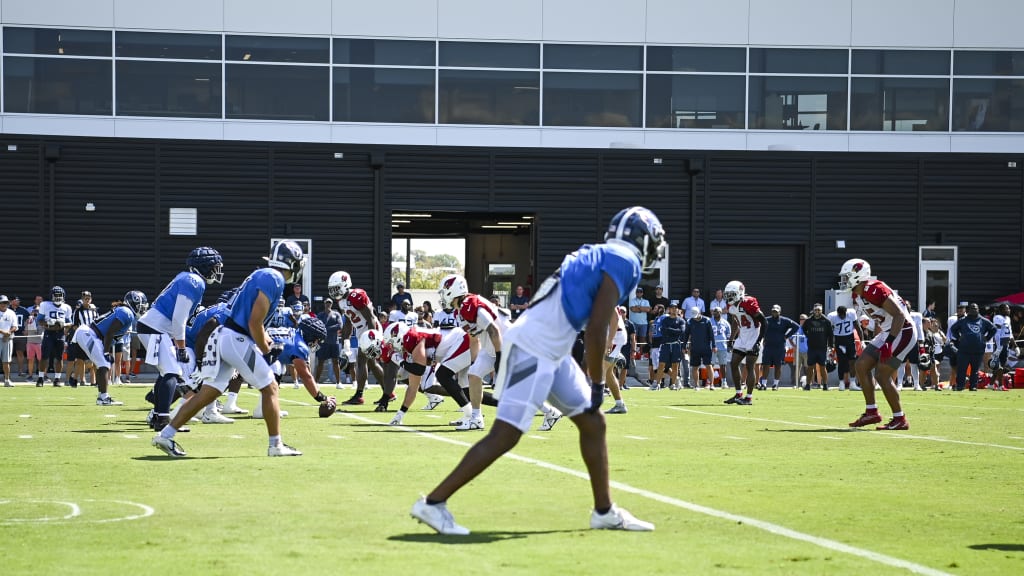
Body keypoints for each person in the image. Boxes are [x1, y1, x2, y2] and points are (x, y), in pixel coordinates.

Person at [409, 206, 664, 535]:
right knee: (507, 434)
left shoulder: (594, 253)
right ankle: (433, 503)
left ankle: (604, 510)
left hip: (548, 346)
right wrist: (598, 382)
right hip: (535, 347)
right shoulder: (624, 260)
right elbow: (599, 324)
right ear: (642, 240)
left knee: (592, 423)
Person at [153, 240, 306, 458]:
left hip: (227, 335)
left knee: (208, 393)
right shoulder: (274, 278)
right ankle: (276, 445)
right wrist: (266, 349)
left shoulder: (263, 274)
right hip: (237, 338)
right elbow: (255, 322)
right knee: (270, 386)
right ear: (292, 263)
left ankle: (165, 435)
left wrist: (265, 344)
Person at [139, 247, 223, 432]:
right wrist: (182, 347)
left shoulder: (187, 278)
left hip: (153, 327)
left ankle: (157, 416)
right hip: (156, 328)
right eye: (214, 267)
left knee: (167, 372)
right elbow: (179, 318)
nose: (217, 271)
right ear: (205, 266)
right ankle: (162, 420)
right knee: (172, 372)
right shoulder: (193, 280)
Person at [839, 258, 914, 430]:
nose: (844, 281)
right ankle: (871, 412)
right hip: (889, 331)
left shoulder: (873, 289)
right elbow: (881, 320)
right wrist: (878, 339)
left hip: (903, 331)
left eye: (847, 276)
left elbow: (899, 316)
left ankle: (900, 418)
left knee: (882, 374)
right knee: (862, 365)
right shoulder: (857, 294)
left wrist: (888, 342)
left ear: (859, 275)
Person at [438, 274, 510, 430]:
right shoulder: (460, 312)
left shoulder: (470, 304)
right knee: (474, 375)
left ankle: (550, 410)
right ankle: (476, 419)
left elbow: (494, 329)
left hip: (508, 344)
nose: (443, 295)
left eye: (444, 290)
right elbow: (473, 339)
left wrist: (500, 356)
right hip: (491, 347)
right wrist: (474, 362)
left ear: (454, 290)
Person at [71, 290, 147, 406]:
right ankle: (103, 397)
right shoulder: (127, 313)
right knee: (104, 363)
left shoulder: (125, 312)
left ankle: (98, 393)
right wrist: (106, 352)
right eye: (140, 305)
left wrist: (106, 351)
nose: (142, 308)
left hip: (90, 334)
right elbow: (110, 333)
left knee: (102, 363)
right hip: (90, 334)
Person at [328, 271, 386, 405]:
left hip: (370, 328)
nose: (334, 292)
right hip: (361, 330)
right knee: (371, 363)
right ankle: (388, 392)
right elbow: (348, 321)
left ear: (345, 284)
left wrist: (372, 336)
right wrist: (346, 341)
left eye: (336, 288)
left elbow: (370, 317)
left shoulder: (356, 296)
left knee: (361, 360)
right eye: (332, 289)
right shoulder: (342, 300)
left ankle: (359, 395)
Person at [722, 281, 766, 405]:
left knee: (749, 366)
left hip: (753, 335)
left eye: (731, 294)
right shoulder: (731, 306)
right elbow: (736, 320)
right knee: (734, 363)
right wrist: (732, 338)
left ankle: (749, 397)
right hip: (742, 337)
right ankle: (738, 393)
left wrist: (758, 341)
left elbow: (764, 321)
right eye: (728, 294)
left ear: (739, 293)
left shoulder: (748, 302)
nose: (728, 296)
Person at [948, 303, 997, 392]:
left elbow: (994, 329)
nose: (974, 310)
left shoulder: (983, 320)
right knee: (962, 369)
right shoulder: (963, 320)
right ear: (968, 310)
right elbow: (953, 329)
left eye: (975, 308)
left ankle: (973, 386)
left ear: (978, 310)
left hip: (978, 350)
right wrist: (958, 337)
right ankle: (960, 386)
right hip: (964, 350)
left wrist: (987, 337)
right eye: (972, 308)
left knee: (975, 370)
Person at [37, 286, 73, 387]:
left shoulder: (67, 307)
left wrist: (63, 324)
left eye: (59, 295)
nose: (58, 297)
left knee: (59, 358)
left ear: (63, 296)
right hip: (49, 333)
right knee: (44, 357)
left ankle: (57, 379)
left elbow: (70, 323)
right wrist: (48, 323)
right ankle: (40, 378)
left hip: (60, 334)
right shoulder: (45, 305)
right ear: (51, 296)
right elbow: (39, 320)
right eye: (55, 295)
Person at [761, 304, 799, 391]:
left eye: (776, 311)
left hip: (779, 347)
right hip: (768, 346)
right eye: (773, 311)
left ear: (779, 312)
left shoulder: (784, 320)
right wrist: (763, 337)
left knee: (778, 365)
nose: (774, 313)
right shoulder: (766, 320)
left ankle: (775, 384)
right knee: (765, 365)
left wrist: (787, 336)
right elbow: (760, 328)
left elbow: (796, 326)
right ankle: (763, 384)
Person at [68, 290, 99, 388]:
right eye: (85, 298)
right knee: (80, 360)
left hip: (93, 337)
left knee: (95, 361)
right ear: (82, 299)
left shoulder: (94, 310)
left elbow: (97, 322)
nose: (87, 300)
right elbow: (75, 326)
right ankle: (75, 379)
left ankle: (95, 381)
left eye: (89, 298)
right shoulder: (78, 311)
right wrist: (83, 334)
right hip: (82, 338)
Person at [802, 304, 834, 390]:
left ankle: (825, 385)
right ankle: (808, 385)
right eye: (816, 310)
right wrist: (808, 335)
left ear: (821, 310)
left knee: (822, 367)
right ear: (813, 310)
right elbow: (803, 329)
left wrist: (831, 346)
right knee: (810, 367)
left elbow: (831, 335)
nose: (817, 312)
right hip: (812, 347)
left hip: (822, 348)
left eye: (819, 310)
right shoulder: (808, 320)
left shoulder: (826, 321)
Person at [684, 306, 716, 390]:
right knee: (695, 367)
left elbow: (711, 335)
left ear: (699, 313)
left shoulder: (707, 321)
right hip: (694, 348)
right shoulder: (690, 322)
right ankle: (696, 385)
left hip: (706, 347)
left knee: (708, 365)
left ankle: (712, 384)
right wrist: (684, 346)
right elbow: (686, 335)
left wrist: (714, 345)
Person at [314, 298, 345, 386]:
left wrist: (326, 328)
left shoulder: (336, 314)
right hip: (323, 342)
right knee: (320, 362)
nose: (328, 304)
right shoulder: (320, 315)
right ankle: (316, 382)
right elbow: (317, 325)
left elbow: (340, 325)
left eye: (330, 303)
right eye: (327, 303)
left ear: (331, 304)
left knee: (336, 362)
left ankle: (338, 382)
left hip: (333, 342)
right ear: (324, 304)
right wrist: (327, 328)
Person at [991, 303, 1018, 391]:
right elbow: (998, 331)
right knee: (1000, 366)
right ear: (1001, 310)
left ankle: (991, 384)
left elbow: (1009, 334)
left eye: (1009, 308)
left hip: (1005, 344)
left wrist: (1015, 346)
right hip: (999, 345)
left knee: (1001, 365)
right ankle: (1000, 385)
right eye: (1007, 309)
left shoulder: (1008, 319)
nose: (1009, 310)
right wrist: (999, 347)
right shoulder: (997, 317)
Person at [709, 307, 731, 387]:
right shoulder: (709, 322)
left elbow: (729, 335)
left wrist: (729, 345)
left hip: (722, 346)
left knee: (723, 364)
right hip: (712, 346)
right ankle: (709, 381)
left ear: (721, 313)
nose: (715, 313)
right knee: (710, 364)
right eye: (714, 311)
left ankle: (724, 382)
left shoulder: (725, 323)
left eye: (717, 311)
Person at [0, 296, 18, 386]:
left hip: (7, 339)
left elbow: (15, 326)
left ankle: (7, 380)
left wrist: (8, 333)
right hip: (3, 337)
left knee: (6, 361)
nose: (3, 304)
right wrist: (3, 332)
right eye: (2, 303)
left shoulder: (11, 313)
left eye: (5, 303)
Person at [9, 296, 29, 377]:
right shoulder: (7, 310)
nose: (18, 302)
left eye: (18, 300)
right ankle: (7, 372)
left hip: (20, 334)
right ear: (11, 301)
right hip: (9, 334)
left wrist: (27, 329)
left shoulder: (23, 310)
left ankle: (20, 371)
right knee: (8, 353)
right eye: (16, 300)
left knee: (20, 352)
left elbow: (29, 320)